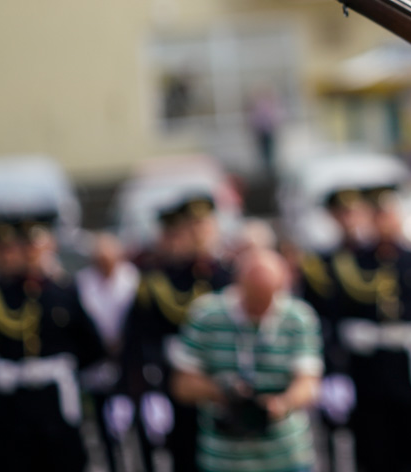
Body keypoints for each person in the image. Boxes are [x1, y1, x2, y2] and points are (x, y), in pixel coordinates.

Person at [298, 184, 411, 472]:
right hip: (367, 370)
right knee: (374, 450)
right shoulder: (347, 263)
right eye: (378, 214)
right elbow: (330, 322)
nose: (386, 220)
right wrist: (333, 372)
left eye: (390, 213)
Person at [0, 211, 107, 472]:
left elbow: (90, 347)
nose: (11, 255)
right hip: (4, 410)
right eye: (3, 248)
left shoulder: (59, 290)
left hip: (54, 404)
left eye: (19, 247)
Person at [169, 247, 322, 472]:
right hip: (223, 457)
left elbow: (309, 383)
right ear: (238, 284)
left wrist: (281, 404)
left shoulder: (298, 316)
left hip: (286, 453)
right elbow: (182, 385)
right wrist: (222, 391)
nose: (260, 308)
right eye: (254, 298)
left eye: (268, 298)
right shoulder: (206, 315)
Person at [122, 193, 233, 472]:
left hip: (224, 382)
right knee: (185, 456)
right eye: (190, 227)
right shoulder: (158, 281)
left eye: (203, 226)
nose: (198, 234)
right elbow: (138, 340)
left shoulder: (228, 276)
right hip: (175, 384)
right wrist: (147, 390)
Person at [77, 231, 140, 472]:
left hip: (129, 363)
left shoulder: (132, 279)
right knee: (103, 426)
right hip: (97, 361)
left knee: (134, 423)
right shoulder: (83, 282)